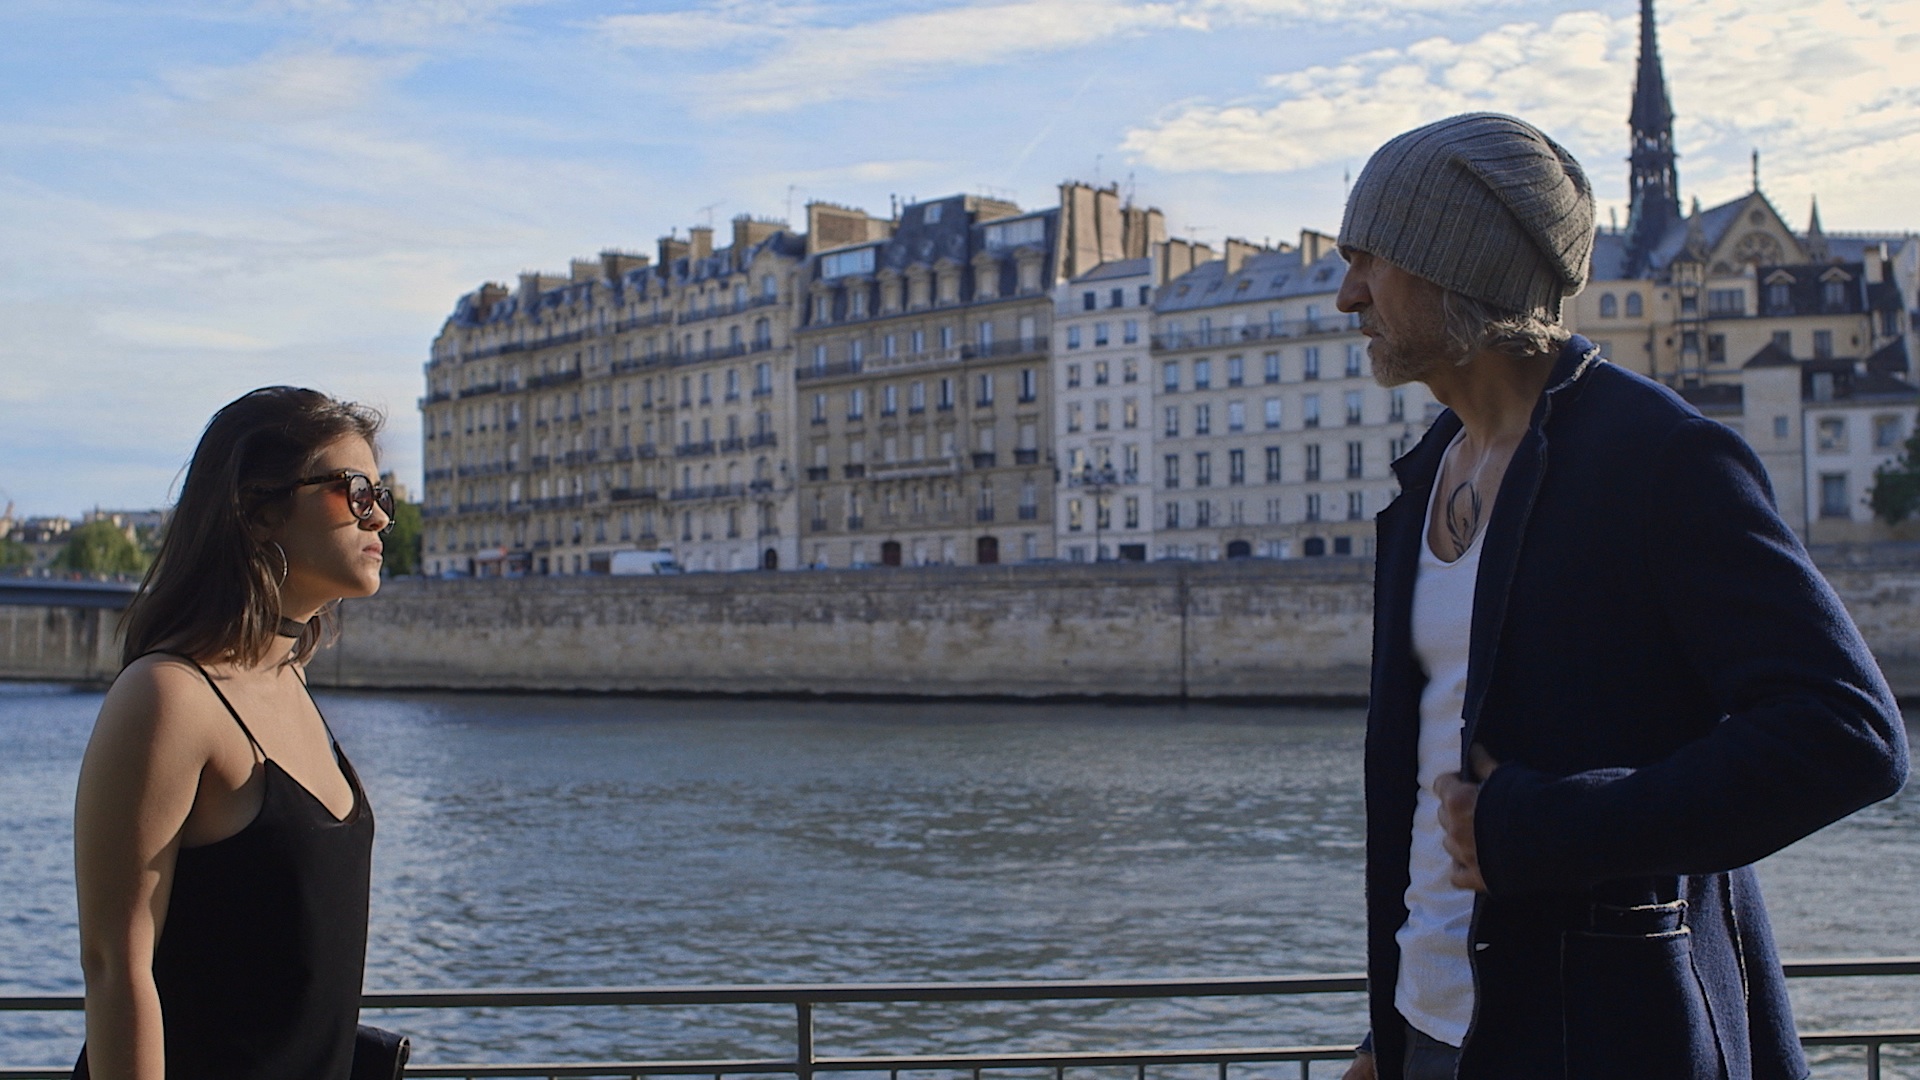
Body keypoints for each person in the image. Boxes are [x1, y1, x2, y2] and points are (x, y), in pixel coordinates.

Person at [1331, 113, 1908, 1080]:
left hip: (1603, 1036)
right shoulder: (1428, 471)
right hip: (1434, 1031)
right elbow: (1437, 793)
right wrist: (1392, 1033)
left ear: (1453, 262)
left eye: (1369, 259)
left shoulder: (1660, 459)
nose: (1348, 294)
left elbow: (1850, 734)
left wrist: (1547, 826)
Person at [73, 387, 394, 1079]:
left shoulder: (289, 683)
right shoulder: (169, 697)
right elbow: (116, 966)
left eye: (382, 495)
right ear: (257, 509)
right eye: (355, 491)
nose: (380, 516)